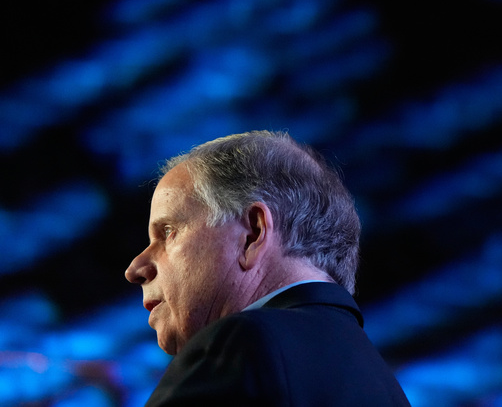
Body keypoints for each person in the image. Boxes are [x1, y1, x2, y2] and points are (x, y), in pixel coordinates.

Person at [125, 131, 412, 406]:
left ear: (252, 233)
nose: (135, 268)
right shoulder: (383, 384)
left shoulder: (242, 347)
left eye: (168, 232)